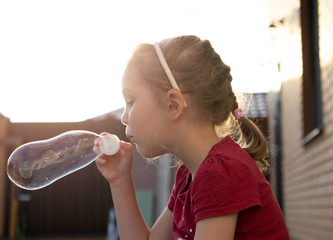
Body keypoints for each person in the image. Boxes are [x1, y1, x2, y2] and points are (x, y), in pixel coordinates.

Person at [95, 35, 289, 240]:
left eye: (131, 100)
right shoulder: (189, 175)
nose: (124, 117)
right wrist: (120, 180)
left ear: (173, 105)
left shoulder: (219, 172)